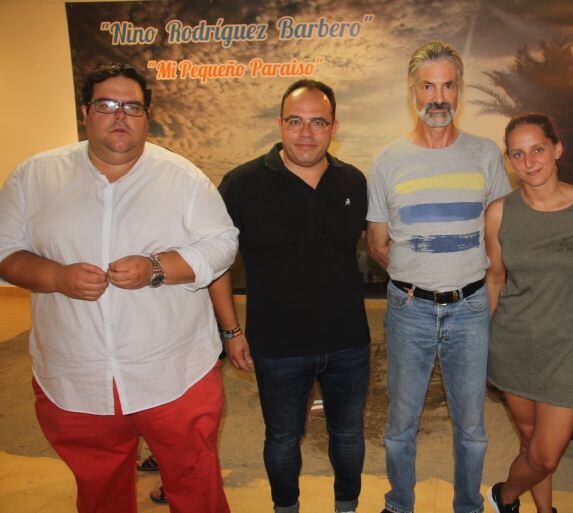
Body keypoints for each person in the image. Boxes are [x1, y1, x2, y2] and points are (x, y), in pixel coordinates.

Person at [0, 63, 237, 513]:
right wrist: (55, 278)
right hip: (76, 374)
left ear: (148, 116)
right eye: (107, 105)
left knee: (194, 480)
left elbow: (223, 243)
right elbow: (4, 248)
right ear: (85, 113)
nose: (120, 116)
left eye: (132, 106)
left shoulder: (181, 177)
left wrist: (158, 268)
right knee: (99, 487)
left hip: (174, 372)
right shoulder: (36, 176)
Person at [366, 41, 511, 513]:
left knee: (472, 429)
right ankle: (399, 504)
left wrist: (482, 295)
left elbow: (497, 241)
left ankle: (468, 506)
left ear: (459, 90)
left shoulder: (486, 155)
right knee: (400, 427)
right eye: (428, 85)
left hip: (471, 310)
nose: (438, 96)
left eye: (448, 85)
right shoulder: (387, 161)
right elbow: (378, 242)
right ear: (413, 91)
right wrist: (417, 276)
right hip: (409, 309)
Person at [216, 79, 370, 513]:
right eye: (296, 122)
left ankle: (347, 507)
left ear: (334, 126)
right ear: (279, 124)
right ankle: (286, 508)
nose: (306, 133)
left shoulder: (354, 182)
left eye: (318, 122)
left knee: (348, 434)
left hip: (347, 342)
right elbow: (216, 264)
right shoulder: (242, 184)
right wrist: (231, 331)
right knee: (282, 437)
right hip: (277, 345)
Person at [485, 113, 573, 513]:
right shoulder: (499, 213)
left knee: (545, 456)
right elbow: (495, 280)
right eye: (518, 154)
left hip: (567, 349)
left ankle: (504, 496)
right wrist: (487, 343)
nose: (529, 161)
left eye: (537, 149)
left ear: (557, 149)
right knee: (528, 440)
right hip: (513, 344)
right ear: (509, 160)